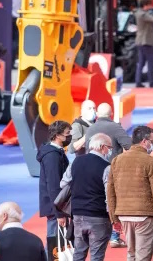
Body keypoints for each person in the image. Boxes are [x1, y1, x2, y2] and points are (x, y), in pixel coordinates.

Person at [107, 125, 153, 261]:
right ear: (144, 141)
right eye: (152, 141)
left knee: (131, 253)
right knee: (143, 255)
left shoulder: (117, 160)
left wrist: (113, 217)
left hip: (123, 214)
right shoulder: (151, 161)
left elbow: (110, 191)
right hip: (145, 215)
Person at [84, 103, 133, 248]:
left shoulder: (90, 129)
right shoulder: (116, 127)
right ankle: (114, 236)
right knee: (113, 201)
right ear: (111, 114)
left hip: (92, 171)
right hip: (112, 171)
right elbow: (130, 146)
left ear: (98, 114)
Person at [59, 133, 113, 261]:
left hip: (78, 214)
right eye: (110, 147)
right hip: (98, 216)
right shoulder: (106, 167)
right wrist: (113, 217)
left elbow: (63, 184)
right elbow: (109, 195)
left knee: (78, 253)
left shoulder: (76, 161)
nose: (110, 150)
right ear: (102, 147)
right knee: (96, 256)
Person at [37, 121, 71, 243]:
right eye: (67, 133)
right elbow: (53, 185)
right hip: (55, 207)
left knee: (59, 242)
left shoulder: (55, 152)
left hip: (57, 205)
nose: (69, 136)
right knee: (55, 244)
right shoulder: (52, 156)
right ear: (57, 135)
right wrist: (59, 213)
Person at [10, 0, 21, 64]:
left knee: (9, 39)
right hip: (18, 18)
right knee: (16, 40)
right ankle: (13, 60)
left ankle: (9, 60)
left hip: (8, 18)